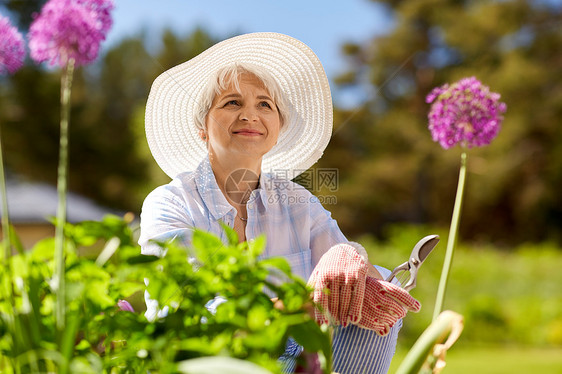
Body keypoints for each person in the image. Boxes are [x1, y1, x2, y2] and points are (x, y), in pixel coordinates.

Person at [139, 32, 420, 374]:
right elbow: (187, 314)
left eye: (264, 104)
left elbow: (352, 272)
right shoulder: (170, 203)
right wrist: (303, 304)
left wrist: (348, 256)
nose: (250, 115)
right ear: (202, 126)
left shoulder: (298, 202)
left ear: (278, 126)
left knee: (367, 297)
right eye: (231, 103)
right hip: (199, 364)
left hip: (292, 363)